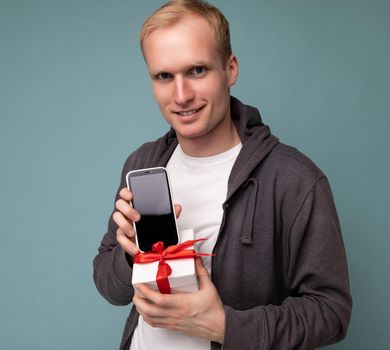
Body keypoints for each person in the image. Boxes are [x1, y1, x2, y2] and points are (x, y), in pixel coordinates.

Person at [93, 0, 352, 349]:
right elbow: (110, 288)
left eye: (197, 70)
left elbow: (331, 312)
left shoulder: (295, 180)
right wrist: (128, 256)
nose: (182, 95)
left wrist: (224, 327)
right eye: (164, 76)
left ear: (230, 69)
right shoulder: (142, 164)